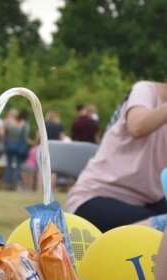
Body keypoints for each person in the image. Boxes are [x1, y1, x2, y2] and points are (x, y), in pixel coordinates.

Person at [66, 81, 167, 232]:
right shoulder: (145, 91)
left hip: (147, 202)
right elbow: (137, 126)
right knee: (159, 227)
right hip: (95, 197)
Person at [0, 108, 30, 191]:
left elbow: (1, 133)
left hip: (9, 145)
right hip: (20, 147)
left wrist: (4, 140)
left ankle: (7, 184)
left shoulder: (7, 122)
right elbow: (25, 138)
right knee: (18, 166)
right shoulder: (24, 123)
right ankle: (15, 184)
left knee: (9, 165)